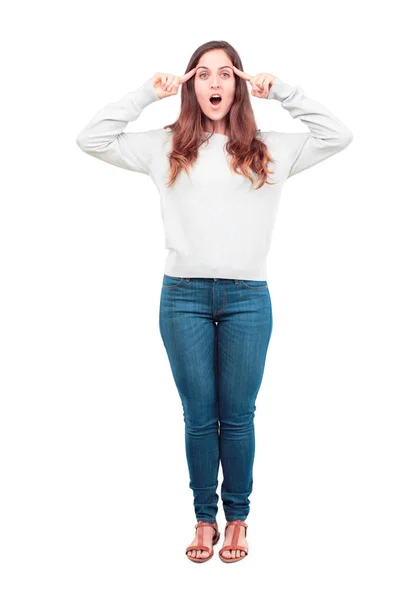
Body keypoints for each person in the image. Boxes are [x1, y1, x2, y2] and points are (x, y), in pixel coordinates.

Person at [76, 40, 353, 563]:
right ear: (190, 85)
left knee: (239, 415)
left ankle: (239, 520)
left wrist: (284, 91)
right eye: (202, 75)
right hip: (183, 297)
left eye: (226, 74)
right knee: (199, 416)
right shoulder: (166, 147)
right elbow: (91, 138)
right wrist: (145, 94)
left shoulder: (271, 148)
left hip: (249, 299)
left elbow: (339, 134)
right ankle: (205, 519)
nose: (214, 84)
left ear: (240, 85)